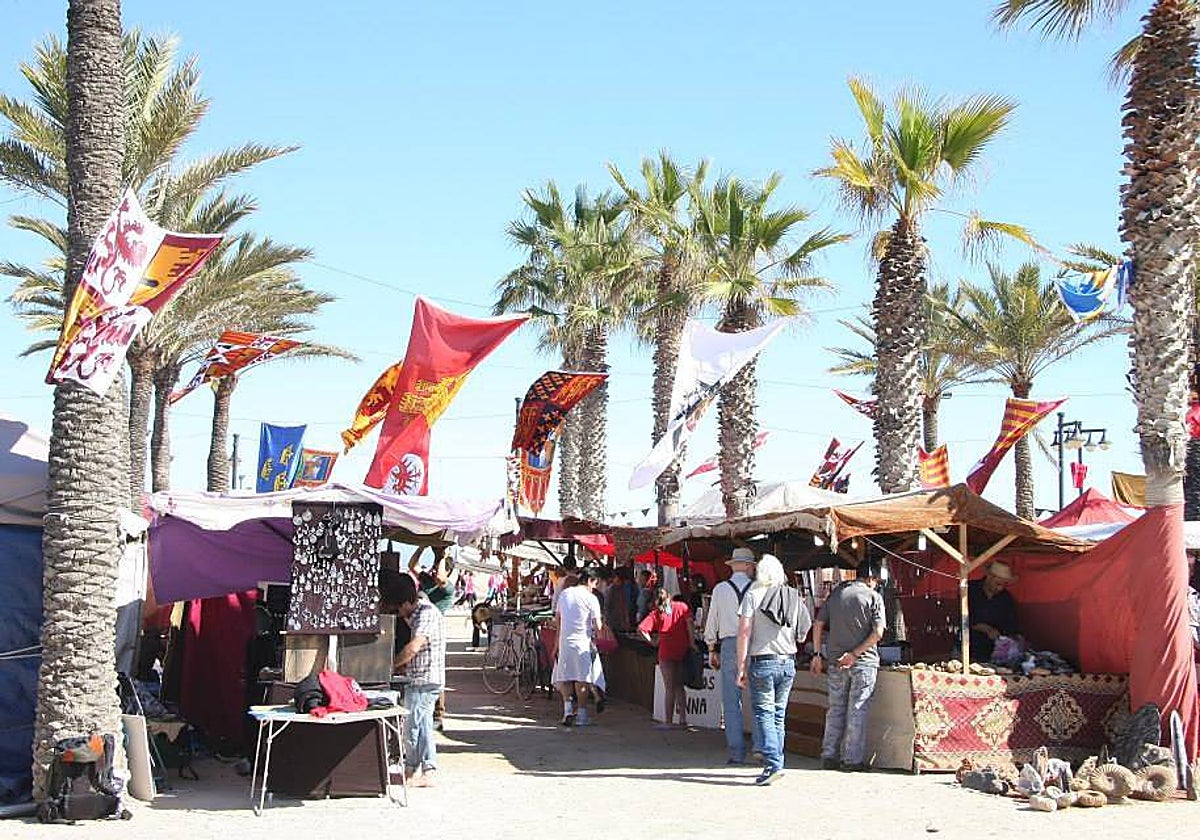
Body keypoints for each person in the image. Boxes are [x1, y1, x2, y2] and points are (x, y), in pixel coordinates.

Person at [735, 554, 811, 786]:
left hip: (763, 660)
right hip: (787, 661)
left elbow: (744, 632)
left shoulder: (753, 594)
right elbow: (804, 628)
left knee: (765, 713)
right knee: (778, 714)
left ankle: (773, 763)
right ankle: (778, 760)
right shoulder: (792, 596)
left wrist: (740, 666)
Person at [810, 565, 885, 773]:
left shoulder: (836, 595)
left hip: (835, 662)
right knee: (857, 710)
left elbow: (817, 623)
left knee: (835, 709)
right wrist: (855, 654)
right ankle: (852, 759)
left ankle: (829, 755)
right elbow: (878, 632)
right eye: (876, 580)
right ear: (871, 578)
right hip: (863, 662)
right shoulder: (873, 597)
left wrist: (817, 654)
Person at [380, 571, 445, 788]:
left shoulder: (426, 613)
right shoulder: (416, 613)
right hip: (417, 678)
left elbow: (414, 647)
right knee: (414, 725)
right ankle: (411, 769)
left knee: (420, 724)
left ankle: (429, 769)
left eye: (399, 608)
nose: (399, 614)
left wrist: (389, 667)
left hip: (426, 678)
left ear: (408, 600)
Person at [703, 546, 762, 765]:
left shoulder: (720, 589)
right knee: (759, 698)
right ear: (748, 567)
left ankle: (736, 752)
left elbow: (712, 621)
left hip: (729, 644)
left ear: (734, 566)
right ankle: (760, 746)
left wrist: (711, 648)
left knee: (731, 701)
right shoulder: (758, 588)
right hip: (755, 643)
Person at [550, 567, 603, 727]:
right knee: (582, 679)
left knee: (565, 677)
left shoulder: (565, 594)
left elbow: (558, 621)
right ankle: (581, 714)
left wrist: (556, 644)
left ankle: (567, 711)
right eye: (595, 583)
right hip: (582, 643)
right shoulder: (591, 598)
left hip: (565, 641)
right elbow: (598, 626)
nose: (595, 587)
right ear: (589, 581)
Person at [638, 587, 695, 729]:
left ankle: (668, 721)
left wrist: (653, 641)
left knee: (669, 687)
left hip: (666, 650)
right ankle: (683, 719)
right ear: (670, 596)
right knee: (679, 686)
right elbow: (690, 625)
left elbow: (641, 629)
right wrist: (692, 643)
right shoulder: (682, 607)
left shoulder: (657, 613)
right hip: (682, 649)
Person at [966, 560, 1019, 663]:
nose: (1000, 588)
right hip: (967, 648)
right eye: (998, 584)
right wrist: (986, 629)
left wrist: (1014, 639)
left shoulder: (1006, 598)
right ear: (989, 577)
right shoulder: (970, 590)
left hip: (992, 652)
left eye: (1004, 585)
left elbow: (1012, 625)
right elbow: (963, 617)